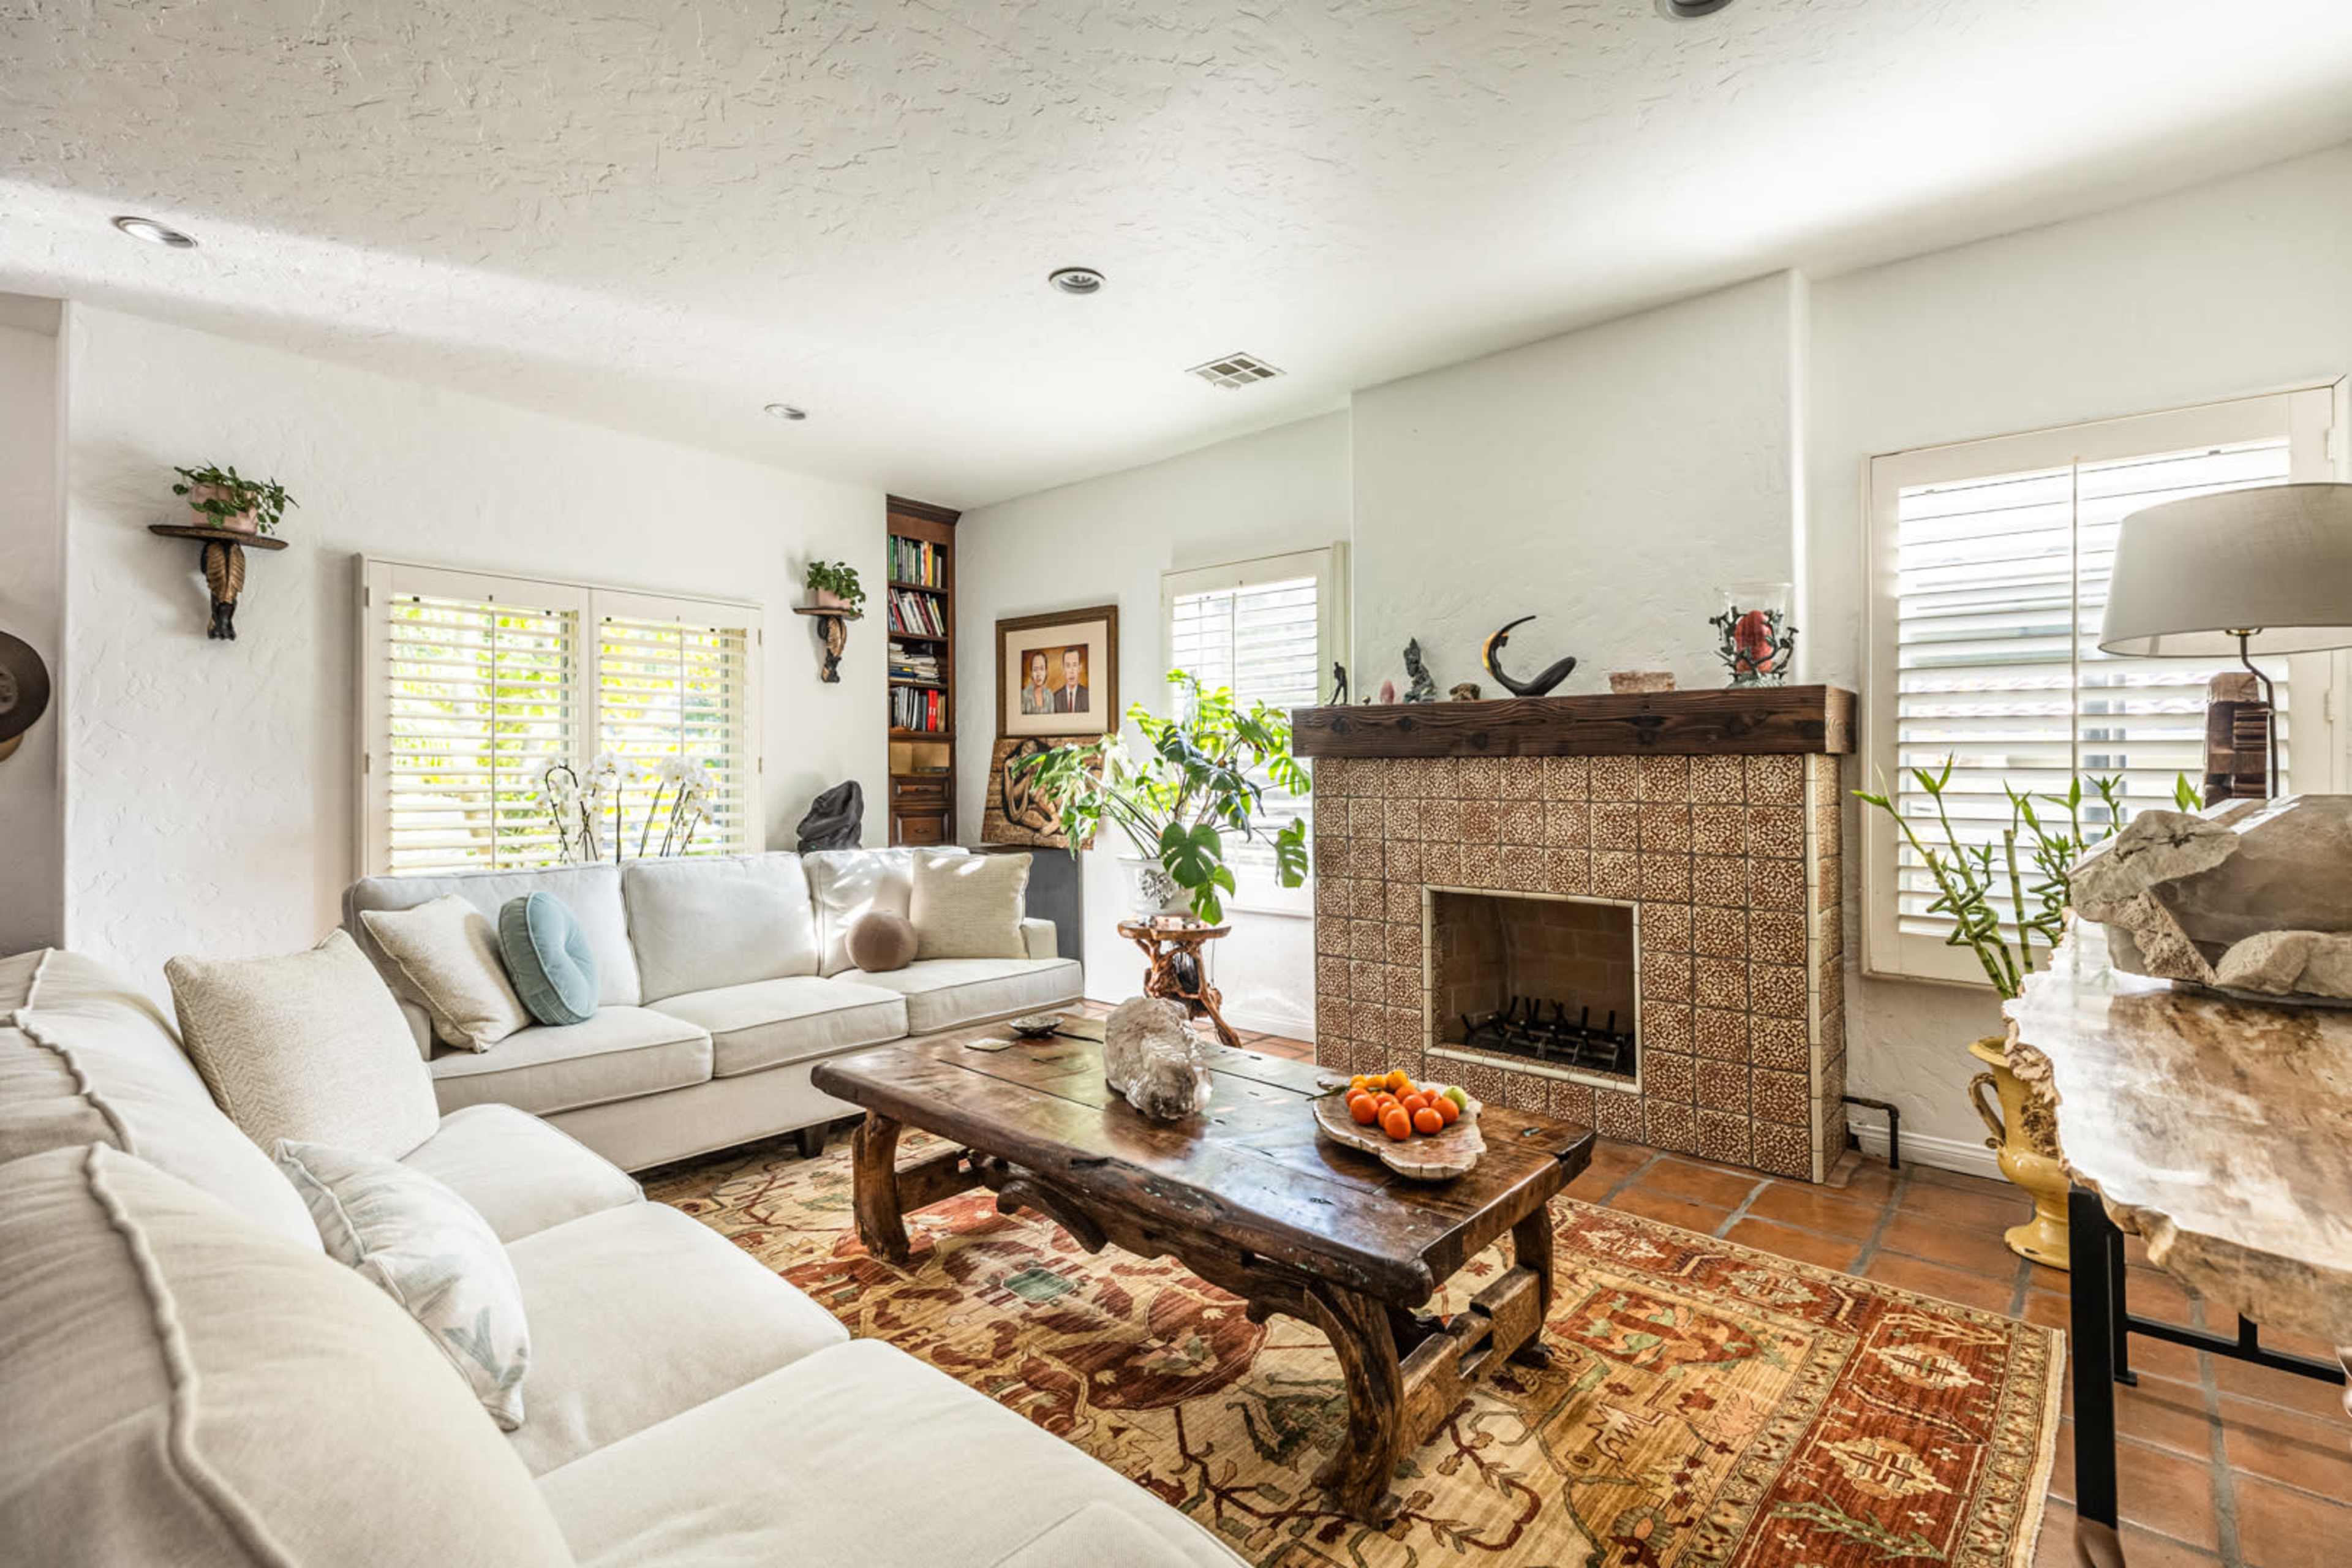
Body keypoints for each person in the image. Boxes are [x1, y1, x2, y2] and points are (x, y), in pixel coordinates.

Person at [1052, 646, 1089, 714]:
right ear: (1063, 669)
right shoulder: (1056, 698)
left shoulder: (1087, 696)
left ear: (1079, 668)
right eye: (1068, 666)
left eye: (1075, 665)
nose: (1071, 671)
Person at [1019, 650, 1054, 715]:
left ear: (1046, 672)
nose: (1039, 674)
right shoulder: (1024, 695)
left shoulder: (1050, 695)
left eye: (1042, 669)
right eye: (1035, 669)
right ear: (1031, 673)